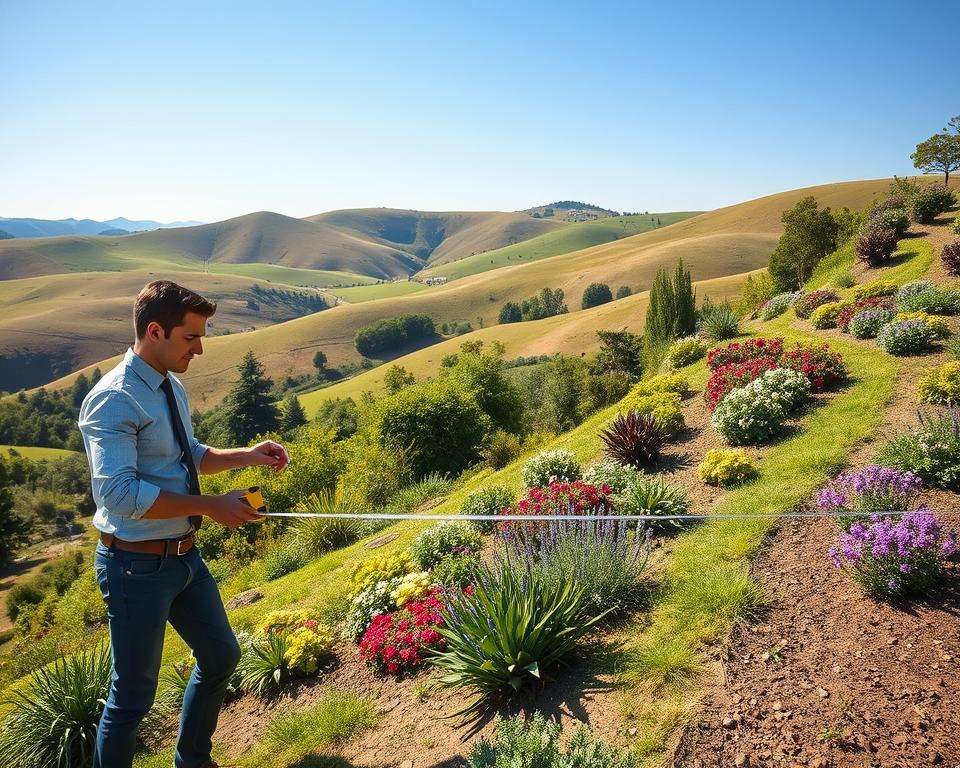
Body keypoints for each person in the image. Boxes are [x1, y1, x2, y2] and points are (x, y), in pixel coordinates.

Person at [78, 280, 289, 768]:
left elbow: (187, 457)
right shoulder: (113, 400)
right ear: (154, 331)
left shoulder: (171, 386)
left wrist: (248, 457)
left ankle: (192, 760)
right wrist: (214, 506)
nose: (200, 347)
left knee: (221, 657)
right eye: (191, 336)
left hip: (184, 558)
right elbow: (119, 495)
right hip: (134, 568)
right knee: (131, 700)